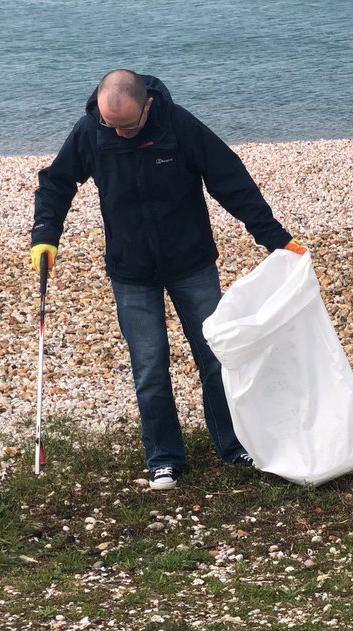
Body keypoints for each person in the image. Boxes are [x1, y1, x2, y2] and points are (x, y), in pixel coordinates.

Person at [30, 69, 305, 491]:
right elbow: (56, 182)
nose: (119, 133)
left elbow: (229, 180)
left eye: (128, 125)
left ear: (148, 106)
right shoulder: (91, 131)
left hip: (191, 263)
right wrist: (45, 237)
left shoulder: (178, 126)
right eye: (111, 125)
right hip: (131, 271)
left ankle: (232, 446)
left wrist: (275, 238)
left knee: (215, 358)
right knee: (150, 368)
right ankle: (164, 457)